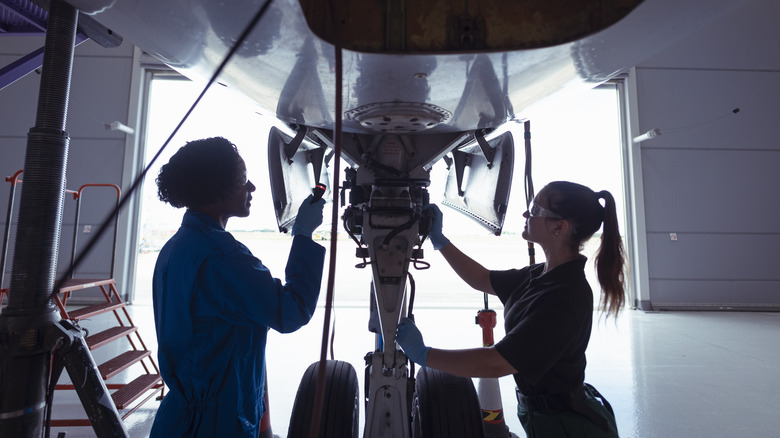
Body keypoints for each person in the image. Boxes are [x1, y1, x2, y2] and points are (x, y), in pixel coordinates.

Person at [396, 181, 625, 438]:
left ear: (559, 227)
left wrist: (424, 355)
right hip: (543, 416)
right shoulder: (541, 275)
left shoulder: (565, 297)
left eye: (535, 210)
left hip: (570, 426)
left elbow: (496, 363)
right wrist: (440, 241)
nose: (526, 215)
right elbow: (483, 279)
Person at [149, 137, 326, 437]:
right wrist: (304, 236)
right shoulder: (221, 257)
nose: (251, 188)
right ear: (216, 189)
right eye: (243, 180)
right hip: (215, 426)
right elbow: (291, 310)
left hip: (180, 419)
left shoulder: (177, 247)